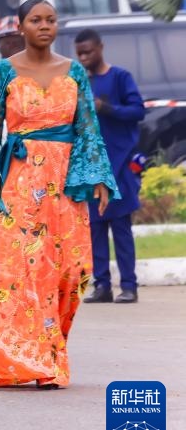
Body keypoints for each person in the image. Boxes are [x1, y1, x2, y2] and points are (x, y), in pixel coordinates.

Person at [0, 0, 117, 390]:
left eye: (51, 20)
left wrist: (98, 178)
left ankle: (49, 350)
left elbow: (88, 129)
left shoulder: (74, 73)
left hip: (67, 182)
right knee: (22, 269)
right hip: (20, 180)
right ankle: (32, 360)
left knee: (70, 269)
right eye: (36, 19)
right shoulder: (3, 71)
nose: (45, 26)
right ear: (20, 25)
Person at [75, 28, 145, 304]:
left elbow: (138, 111)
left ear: (100, 48)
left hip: (121, 164)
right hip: (92, 168)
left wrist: (108, 108)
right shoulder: (78, 82)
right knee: (95, 228)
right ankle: (102, 285)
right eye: (79, 53)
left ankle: (129, 285)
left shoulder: (120, 77)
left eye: (88, 52)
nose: (83, 57)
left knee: (121, 226)